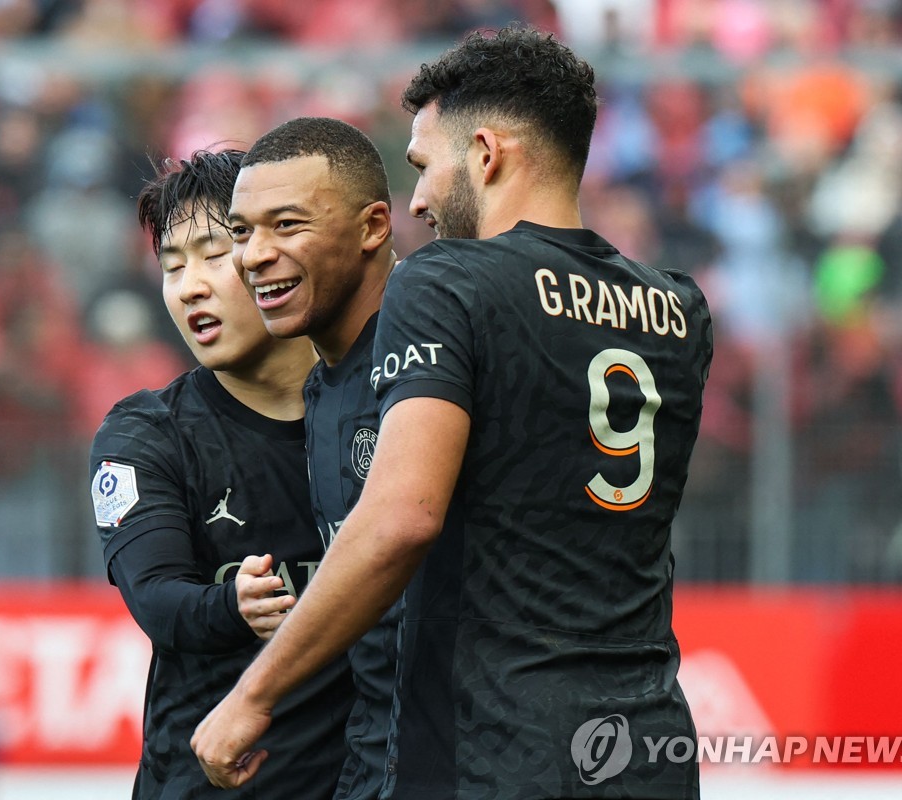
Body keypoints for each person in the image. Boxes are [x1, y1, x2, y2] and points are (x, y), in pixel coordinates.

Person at [193, 25, 712, 800]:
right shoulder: (676, 306)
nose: (422, 200)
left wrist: (251, 697)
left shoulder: (447, 282)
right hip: (647, 746)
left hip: (497, 747)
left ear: (486, 153)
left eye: (426, 167)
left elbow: (403, 516)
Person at [90, 148, 352, 799]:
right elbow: (155, 597)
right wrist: (230, 605)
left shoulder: (389, 412)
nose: (189, 286)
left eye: (211, 254)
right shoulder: (147, 434)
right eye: (171, 267)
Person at [224, 117, 397, 800]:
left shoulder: (434, 362)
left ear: (373, 227)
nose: (254, 255)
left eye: (287, 225)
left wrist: (250, 699)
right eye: (241, 232)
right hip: (374, 756)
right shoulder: (322, 386)